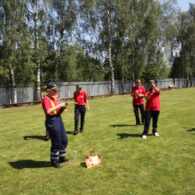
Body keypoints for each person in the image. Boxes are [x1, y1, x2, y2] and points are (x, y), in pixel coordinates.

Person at [42, 82, 69, 168]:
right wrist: (60, 105)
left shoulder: (54, 98)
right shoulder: (46, 99)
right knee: (56, 142)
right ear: (48, 90)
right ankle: (54, 161)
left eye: (55, 90)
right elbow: (48, 111)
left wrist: (62, 108)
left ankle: (61, 158)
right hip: (51, 120)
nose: (55, 92)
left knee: (64, 139)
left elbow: (57, 111)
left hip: (58, 118)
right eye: (53, 90)